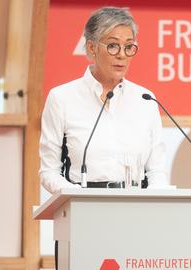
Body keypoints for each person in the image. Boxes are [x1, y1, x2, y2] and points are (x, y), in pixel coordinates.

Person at [39, 6, 168, 193]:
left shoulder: (145, 99)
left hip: (137, 206)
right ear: (91, 47)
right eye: (113, 45)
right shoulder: (61, 98)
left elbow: (157, 170)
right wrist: (78, 197)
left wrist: (153, 200)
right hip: (83, 205)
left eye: (129, 46)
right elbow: (49, 172)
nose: (122, 55)